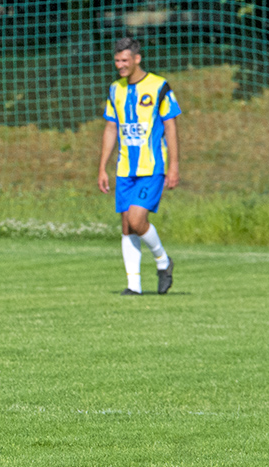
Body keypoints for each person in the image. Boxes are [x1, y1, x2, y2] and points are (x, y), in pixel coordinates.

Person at [98, 37, 180, 295]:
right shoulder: (115, 89)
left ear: (137, 59)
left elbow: (170, 126)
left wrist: (174, 165)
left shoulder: (159, 86)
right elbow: (111, 127)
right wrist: (102, 167)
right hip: (125, 169)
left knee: (136, 219)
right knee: (126, 225)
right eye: (117, 61)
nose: (119, 65)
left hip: (152, 167)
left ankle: (163, 261)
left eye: (124, 60)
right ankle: (134, 286)